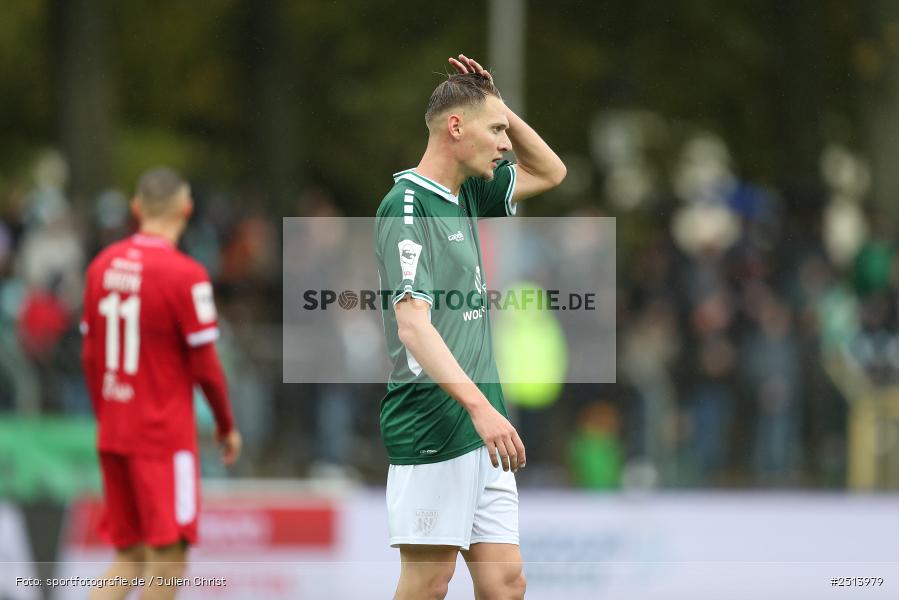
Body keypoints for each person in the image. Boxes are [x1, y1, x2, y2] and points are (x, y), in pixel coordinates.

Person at [374, 54, 566, 600]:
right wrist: (479, 407)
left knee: (506, 583)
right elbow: (413, 328)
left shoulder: (466, 195)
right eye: (497, 130)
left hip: (483, 422)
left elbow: (552, 172)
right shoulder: (406, 205)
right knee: (428, 583)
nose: (507, 142)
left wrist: (498, 104)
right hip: (436, 420)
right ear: (455, 128)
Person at [80, 167, 241, 600]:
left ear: (136, 209)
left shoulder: (100, 266)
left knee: (129, 557)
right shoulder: (185, 275)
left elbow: (90, 355)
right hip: (161, 439)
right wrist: (226, 424)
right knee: (168, 559)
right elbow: (207, 365)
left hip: (115, 430)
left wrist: (107, 414)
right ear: (186, 210)